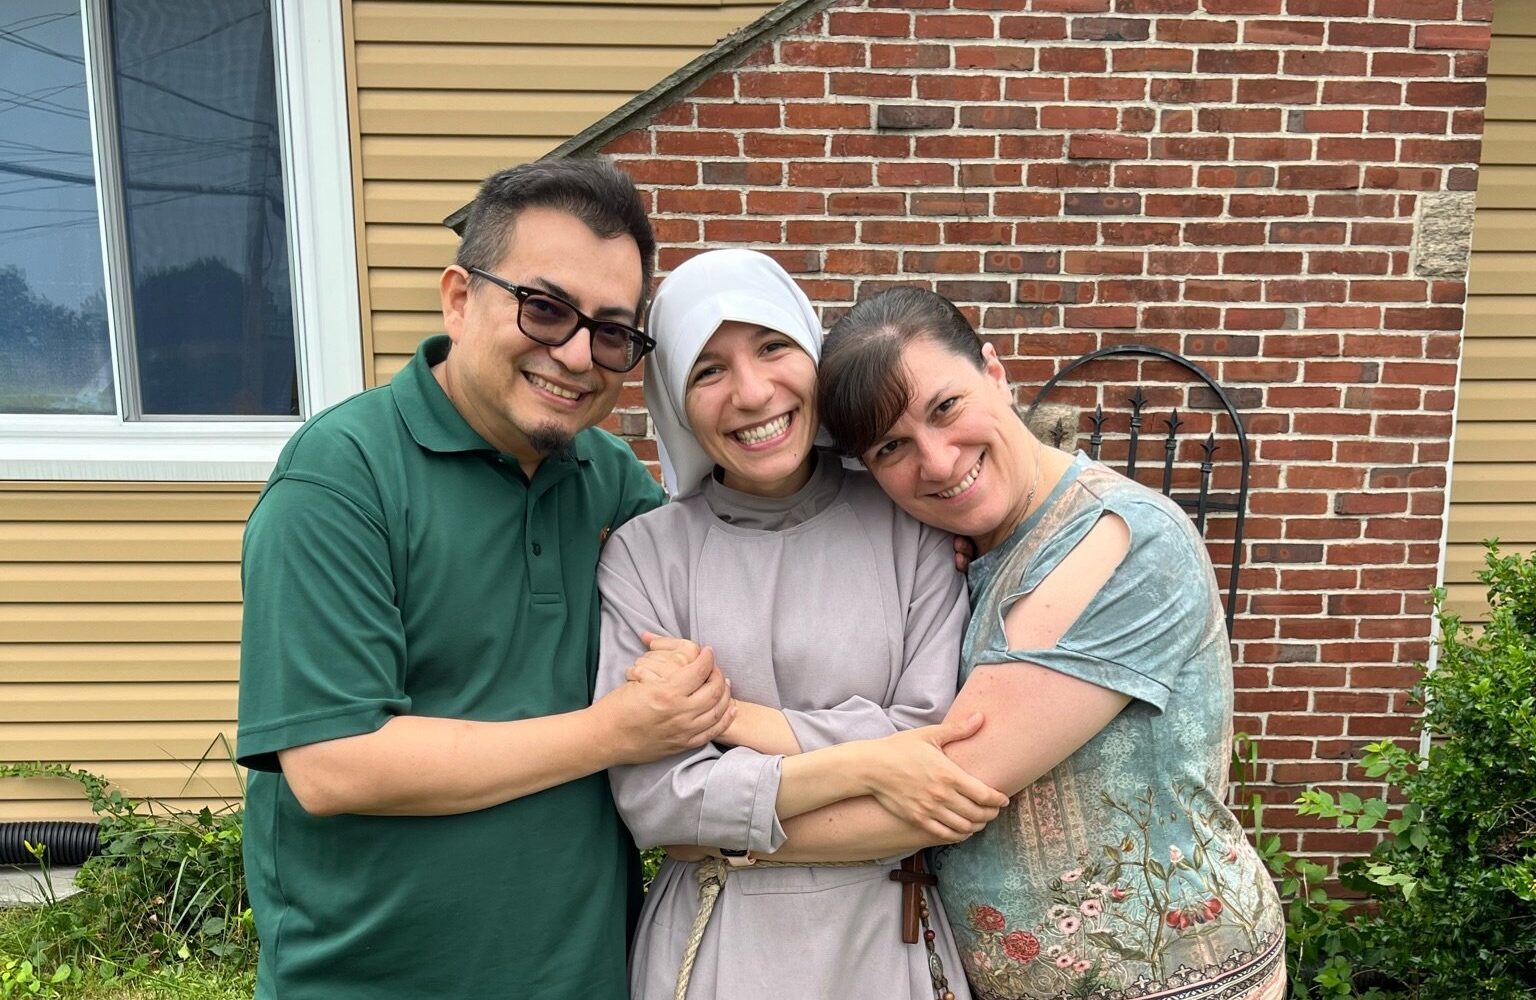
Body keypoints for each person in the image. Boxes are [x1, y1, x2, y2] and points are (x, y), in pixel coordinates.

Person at [235, 159, 735, 1000]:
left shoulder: (609, 480)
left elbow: (747, 582)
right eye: (545, 309)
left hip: (587, 978)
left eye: (611, 330)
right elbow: (334, 762)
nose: (578, 355)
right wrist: (614, 731)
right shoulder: (343, 478)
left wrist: (903, 534)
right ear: (460, 299)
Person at [764, 287, 1287, 999]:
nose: (940, 462)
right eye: (892, 448)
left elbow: (941, 790)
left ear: (995, 371)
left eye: (945, 408)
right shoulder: (966, 555)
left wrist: (717, 833)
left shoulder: (1121, 539)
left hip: (1178, 980)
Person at [593, 250, 1008, 1000]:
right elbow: (655, 801)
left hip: (887, 938)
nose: (752, 392)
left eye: (773, 347)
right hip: (714, 941)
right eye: (708, 370)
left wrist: (728, 731)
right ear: (674, 401)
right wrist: (869, 764)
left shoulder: (906, 519)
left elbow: (937, 746)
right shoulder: (644, 557)